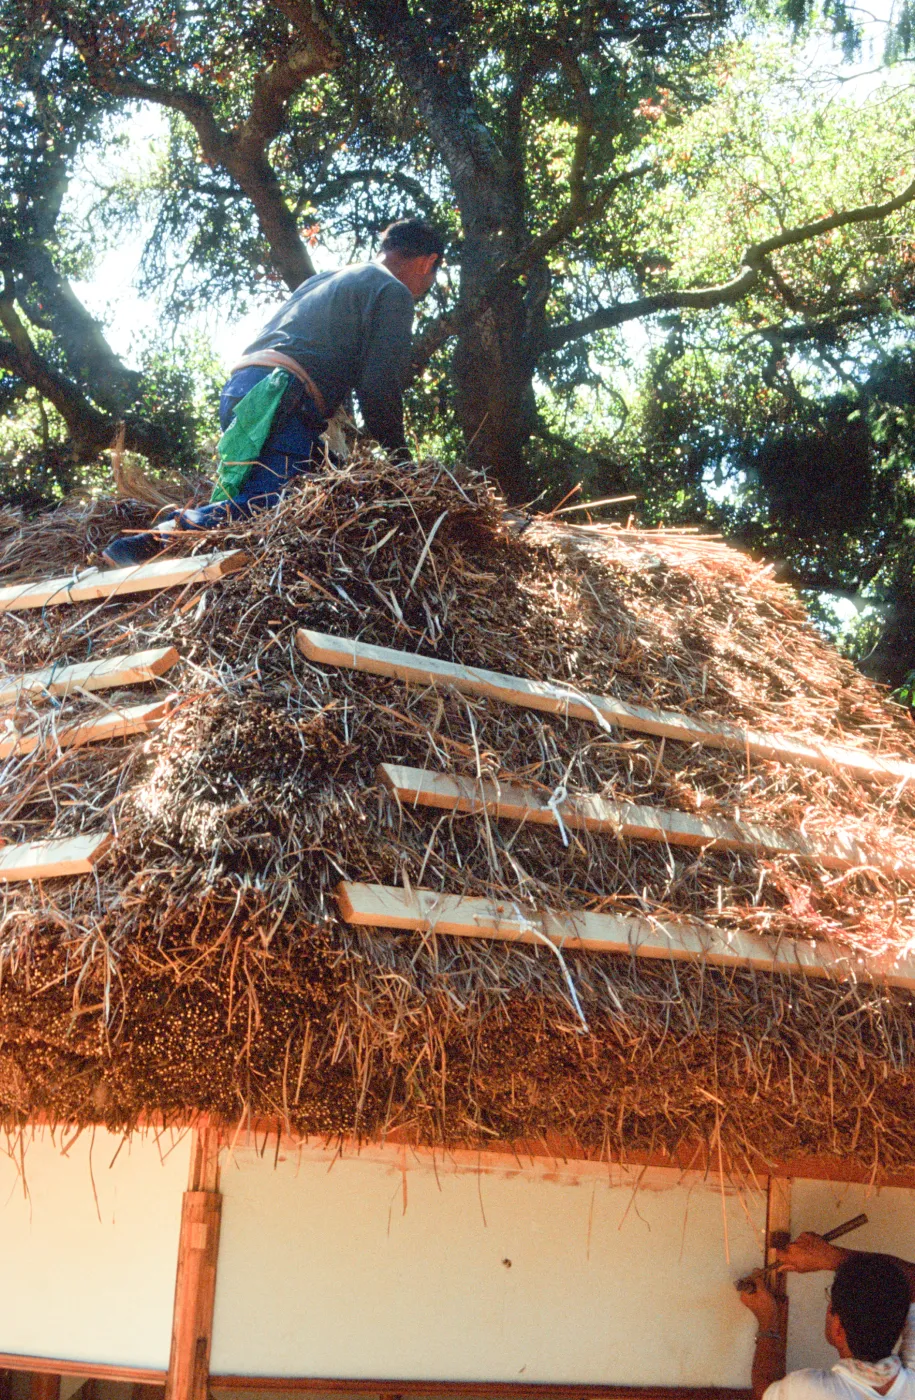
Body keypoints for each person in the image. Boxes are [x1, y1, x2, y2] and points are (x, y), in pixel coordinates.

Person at [102, 217, 445, 567]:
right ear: (428, 262)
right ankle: (150, 541)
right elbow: (378, 390)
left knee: (323, 487)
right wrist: (403, 465)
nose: (422, 291)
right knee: (275, 504)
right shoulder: (392, 290)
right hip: (282, 397)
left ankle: (174, 534)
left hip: (244, 389)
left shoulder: (329, 279)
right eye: (429, 282)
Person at [741, 1231, 915, 1400]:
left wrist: (768, 1320)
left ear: (838, 1329)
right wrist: (830, 1257)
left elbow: (765, 1391)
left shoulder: (810, 1390)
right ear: (902, 1326)